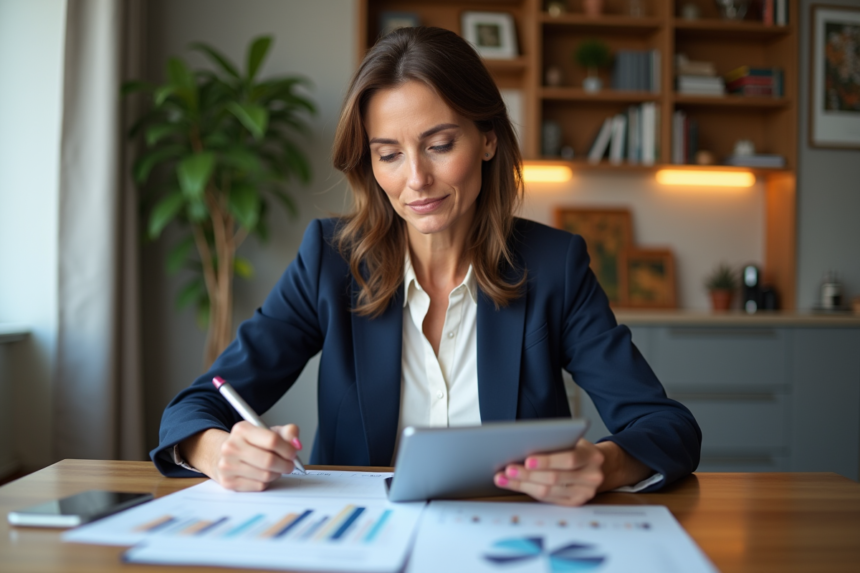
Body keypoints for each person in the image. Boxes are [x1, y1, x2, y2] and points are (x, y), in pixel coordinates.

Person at [153, 27, 700, 507]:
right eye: (388, 153)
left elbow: (667, 427)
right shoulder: (331, 259)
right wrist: (220, 450)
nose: (415, 178)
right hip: (362, 540)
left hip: (505, 537)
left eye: (439, 145)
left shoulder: (555, 265)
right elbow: (196, 405)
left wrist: (601, 466)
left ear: (487, 139)